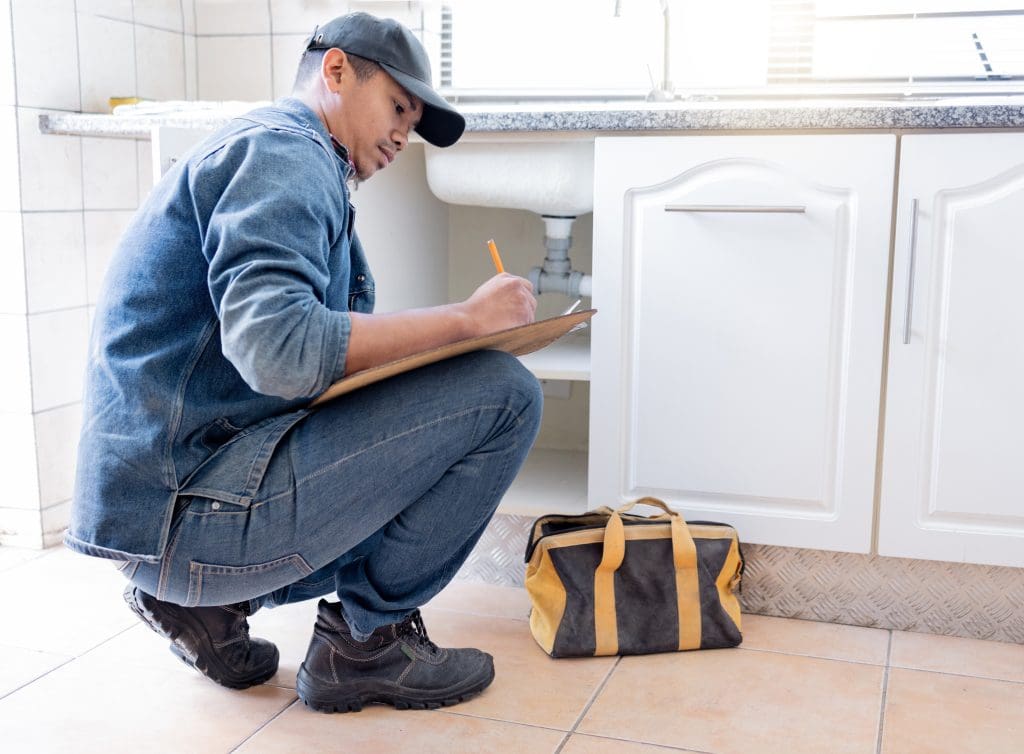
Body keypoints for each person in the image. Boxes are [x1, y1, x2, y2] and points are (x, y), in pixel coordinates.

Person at [66, 12, 542, 713]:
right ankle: (365, 645)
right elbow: (280, 352)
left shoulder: (289, 159)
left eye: (413, 121)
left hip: (168, 513)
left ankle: (210, 608)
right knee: (505, 393)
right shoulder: (284, 155)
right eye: (398, 106)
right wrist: (467, 322)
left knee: (446, 406)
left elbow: (305, 365)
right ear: (337, 70)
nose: (403, 134)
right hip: (186, 517)